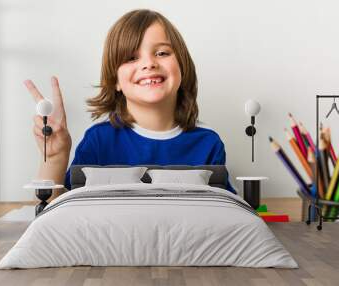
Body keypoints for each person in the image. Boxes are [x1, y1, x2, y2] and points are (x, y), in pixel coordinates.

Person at [26, 9, 236, 196]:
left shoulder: (208, 143)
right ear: (115, 80)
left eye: (162, 53)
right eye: (131, 57)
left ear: (182, 66)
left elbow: (226, 211)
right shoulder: (99, 140)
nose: (149, 63)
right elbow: (61, 209)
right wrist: (54, 158)